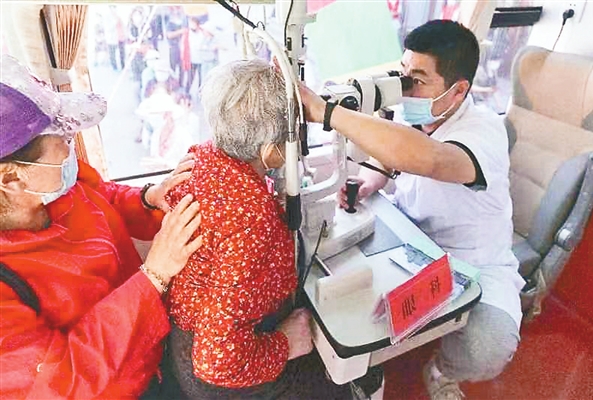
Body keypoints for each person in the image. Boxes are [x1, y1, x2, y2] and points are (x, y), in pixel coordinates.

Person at [299, 20, 525, 400]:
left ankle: (442, 371)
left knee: (489, 346)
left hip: (470, 260)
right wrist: (371, 181)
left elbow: (429, 159)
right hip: (408, 238)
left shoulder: (484, 131)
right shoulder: (418, 111)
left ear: (459, 90)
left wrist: (326, 112)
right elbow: (393, 152)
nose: (405, 89)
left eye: (417, 80)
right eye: (403, 74)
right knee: (343, 302)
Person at [161, 59, 382, 399]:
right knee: (346, 384)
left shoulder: (202, 157)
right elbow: (216, 361)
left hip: (194, 333)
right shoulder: (251, 221)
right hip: (218, 372)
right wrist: (285, 343)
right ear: (269, 151)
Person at [0, 55, 202, 399]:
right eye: (63, 140)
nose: (71, 147)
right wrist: (154, 276)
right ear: (12, 179)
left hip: (152, 352)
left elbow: (100, 197)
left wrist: (148, 198)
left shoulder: (55, 187)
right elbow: (64, 378)